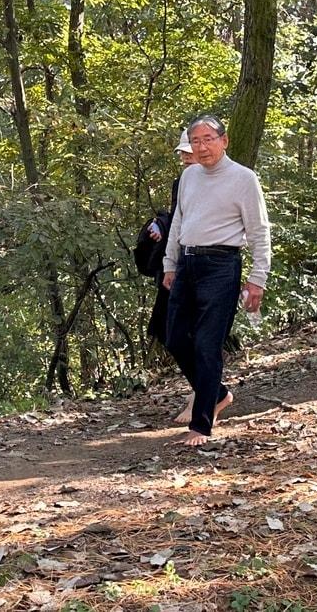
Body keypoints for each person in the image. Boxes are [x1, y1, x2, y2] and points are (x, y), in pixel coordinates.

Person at [162, 115, 271, 446]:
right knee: (175, 338)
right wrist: (170, 263)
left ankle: (202, 424)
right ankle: (219, 393)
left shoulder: (243, 178)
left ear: (224, 141)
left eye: (208, 139)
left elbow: (258, 229)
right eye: (195, 141)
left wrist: (257, 278)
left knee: (207, 344)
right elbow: (179, 221)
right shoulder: (189, 176)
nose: (202, 146)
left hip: (222, 265)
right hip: (188, 262)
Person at [132, 130, 199, 423]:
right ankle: (205, 389)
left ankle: (206, 394)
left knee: (195, 334)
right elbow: (179, 217)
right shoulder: (181, 182)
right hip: (177, 266)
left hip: (206, 268)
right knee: (167, 330)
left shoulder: (227, 181)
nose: (184, 157)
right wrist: (159, 225)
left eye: (189, 151)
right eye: (183, 151)